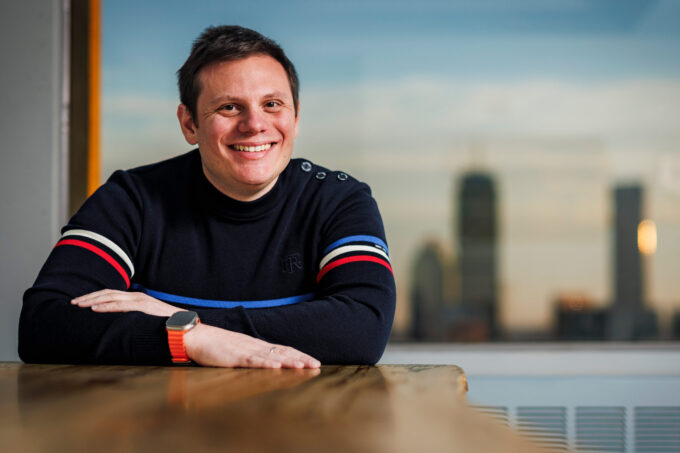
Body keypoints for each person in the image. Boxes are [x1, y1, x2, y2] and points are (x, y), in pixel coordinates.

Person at [18, 25, 396, 368]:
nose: (254, 125)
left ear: (295, 118)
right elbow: (44, 323)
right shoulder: (132, 199)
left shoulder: (339, 200)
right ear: (189, 124)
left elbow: (361, 329)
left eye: (272, 104)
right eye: (229, 107)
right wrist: (194, 338)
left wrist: (176, 319)